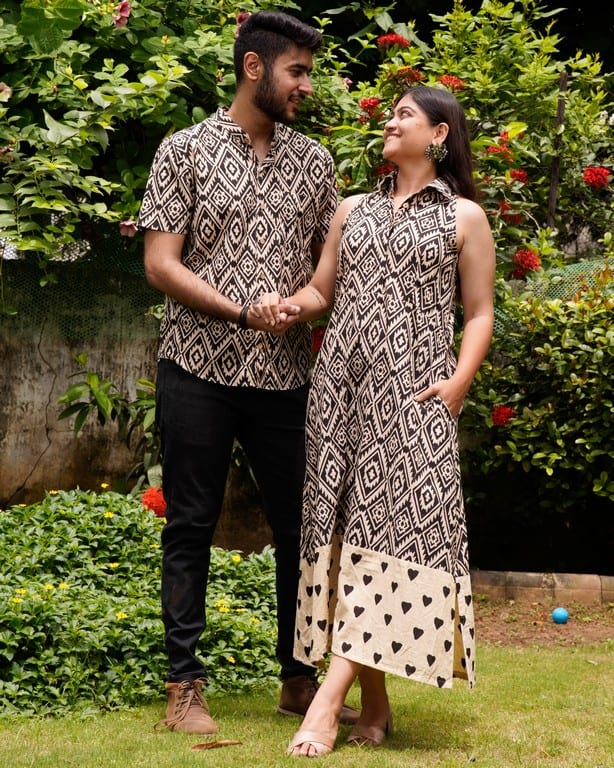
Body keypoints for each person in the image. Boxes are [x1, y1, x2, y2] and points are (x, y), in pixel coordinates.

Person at [254, 84, 496, 757]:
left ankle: (326, 704)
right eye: (391, 114)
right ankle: (377, 705)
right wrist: (289, 306)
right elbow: (321, 290)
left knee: (396, 538)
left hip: (416, 395)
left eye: (405, 115)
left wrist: (459, 382)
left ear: (440, 134)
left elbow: (479, 311)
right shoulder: (352, 209)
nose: (390, 122)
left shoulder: (465, 217)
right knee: (346, 541)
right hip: (340, 393)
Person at [137, 10, 359, 735]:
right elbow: (160, 263)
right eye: (297, 71)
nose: (306, 85)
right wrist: (238, 311)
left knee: (301, 527)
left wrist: (299, 306)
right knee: (190, 524)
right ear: (254, 67)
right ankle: (184, 687)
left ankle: (298, 680)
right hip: (195, 369)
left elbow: (328, 274)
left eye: (308, 73)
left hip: (287, 379)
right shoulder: (184, 150)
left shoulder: (315, 162)